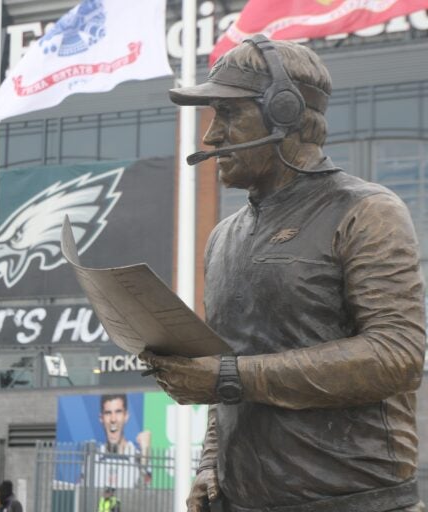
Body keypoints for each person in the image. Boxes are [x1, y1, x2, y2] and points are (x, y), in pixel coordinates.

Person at [139, 35, 425, 512]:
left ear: (286, 112)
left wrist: (228, 377)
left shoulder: (368, 211)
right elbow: (227, 369)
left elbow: (397, 354)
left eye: (228, 114)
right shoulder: (223, 237)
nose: (210, 136)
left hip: (358, 503)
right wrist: (212, 463)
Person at [93, 394, 151, 488]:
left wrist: (145, 453)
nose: (113, 419)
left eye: (118, 412)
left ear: (126, 416)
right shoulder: (92, 459)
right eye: (108, 413)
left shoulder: (139, 459)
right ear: (101, 418)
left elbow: (143, 496)